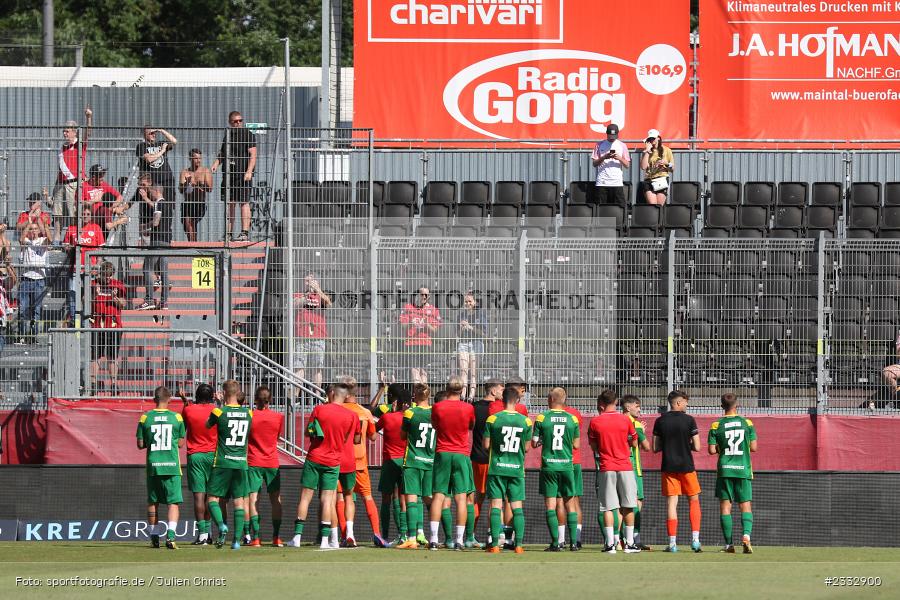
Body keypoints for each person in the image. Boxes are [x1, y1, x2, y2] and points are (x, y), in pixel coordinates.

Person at [289, 382, 360, 549]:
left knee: (305, 497)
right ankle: (325, 541)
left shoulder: (320, 410)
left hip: (315, 457)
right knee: (328, 500)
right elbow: (351, 439)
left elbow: (308, 432)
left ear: (333, 393)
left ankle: (297, 538)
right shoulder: (351, 416)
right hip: (333, 460)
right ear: (346, 396)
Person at [335, 376, 388, 548]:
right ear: (356, 391)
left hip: (339, 461)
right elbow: (373, 437)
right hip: (359, 462)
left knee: (341, 498)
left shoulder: (337, 410)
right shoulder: (364, 413)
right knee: (367, 497)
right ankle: (376, 533)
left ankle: (345, 535)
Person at [588, 390, 641, 554]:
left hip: (606, 467)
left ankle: (610, 544)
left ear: (601, 405)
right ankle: (630, 543)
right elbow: (634, 442)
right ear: (616, 402)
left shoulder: (595, 422)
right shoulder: (625, 420)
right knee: (629, 506)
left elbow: (594, 447)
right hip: (625, 466)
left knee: (608, 508)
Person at [428, 376, 475, 550]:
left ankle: (433, 539)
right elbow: (471, 426)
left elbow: (434, 425)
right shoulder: (468, 408)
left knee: (438, 496)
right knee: (461, 497)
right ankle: (459, 540)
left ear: (447, 390)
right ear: (462, 390)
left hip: (442, 452)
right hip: (461, 453)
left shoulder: (438, 407)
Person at [483, 386, 532, 554]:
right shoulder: (525, 421)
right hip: (516, 470)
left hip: (497, 468)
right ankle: (518, 545)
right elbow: (526, 448)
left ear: (502, 400)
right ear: (517, 400)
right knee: (517, 507)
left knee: (496, 505)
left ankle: (495, 544)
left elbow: (486, 445)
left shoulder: (493, 419)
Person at [135, 386, 185, 550]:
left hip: (153, 465)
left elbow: (140, 444)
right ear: (169, 399)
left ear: (154, 399)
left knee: (153, 501)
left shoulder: (145, 418)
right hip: (171, 465)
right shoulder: (177, 417)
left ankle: (154, 537)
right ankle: (170, 537)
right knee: (173, 503)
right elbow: (180, 443)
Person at [653, 389, 703, 553]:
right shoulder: (689, 420)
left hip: (668, 466)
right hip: (687, 466)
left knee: (671, 503)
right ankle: (695, 541)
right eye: (685, 401)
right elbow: (697, 446)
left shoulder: (660, 421)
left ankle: (672, 543)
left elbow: (655, 447)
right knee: (693, 501)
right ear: (678, 402)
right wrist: (686, 444)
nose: (687, 404)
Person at [205, 379, 253, 550]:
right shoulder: (249, 413)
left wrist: (218, 405)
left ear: (224, 393)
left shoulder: (219, 411)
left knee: (212, 498)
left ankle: (221, 526)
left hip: (222, 462)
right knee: (239, 501)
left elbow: (207, 425)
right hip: (241, 463)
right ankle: (237, 541)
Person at [708, 393, 757, 554]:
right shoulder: (747, 423)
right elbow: (754, 447)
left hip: (725, 470)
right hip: (743, 468)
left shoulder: (716, 425)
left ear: (722, 406)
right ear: (737, 405)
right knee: (745, 505)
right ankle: (746, 536)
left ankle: (729, 545)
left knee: (725, 507)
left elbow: (711, 450)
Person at [531, 387, 579, 552]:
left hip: (549, 466)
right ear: (564, 400)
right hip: (566, 465)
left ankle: (555, 543)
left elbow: (534, 442)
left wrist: (545, 438)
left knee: (551, 506)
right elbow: (576, 445)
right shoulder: (572, 419)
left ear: (550, 399)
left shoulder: (542, 417)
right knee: (570, 505)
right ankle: (573, 543)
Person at [396, 383, 436, 549]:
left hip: (413, 460)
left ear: (415, 395)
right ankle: (436, 536)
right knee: (431, 499)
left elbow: (402, 435)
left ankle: (412, 538)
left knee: (412, 498)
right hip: (431, 461)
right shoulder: (436, 412)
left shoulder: (410, 413)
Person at [246, 385, 285, 547]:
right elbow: (277, 437)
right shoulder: (278, 417)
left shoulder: (250, 416)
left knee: (253, 498)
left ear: (255, 399)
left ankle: (256, 537)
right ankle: (276, 537)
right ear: (271, 400)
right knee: (275, 499)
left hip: (254, 461)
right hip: (271, 462)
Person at [211, 111, 257, 242]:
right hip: (229, 175)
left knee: (244, 202)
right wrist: (215, 164)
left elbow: (253, 154)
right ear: (230, 122)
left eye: (240, 120)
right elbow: (223, 152)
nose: (238, 123)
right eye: (235, 121)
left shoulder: (247, 134)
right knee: (230, 203)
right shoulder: (228, 135)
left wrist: (249, 171)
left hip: (243, 176)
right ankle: (228, 234)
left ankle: (244, 233)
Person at [374, 383, 412, 545]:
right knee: (403, 499)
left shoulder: (387, 417)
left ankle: (385, 534)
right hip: (405, 461)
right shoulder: (410, 418)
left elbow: (373, 431)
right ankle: (403, 534)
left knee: (386, 499)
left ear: (395, 402)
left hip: (390, 461)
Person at [180, 383, 218, 545]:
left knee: (198, 496)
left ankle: (202, 534)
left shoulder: (189, 410)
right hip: (213, 455)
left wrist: (185, 402)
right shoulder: (217, 411)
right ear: (212, 396)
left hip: (195, 455)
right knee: (211, 496)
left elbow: (185, 422)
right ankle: (208, 533)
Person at [52, 107, 92, 240]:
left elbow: (88, 133)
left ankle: (75, 239)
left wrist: (88, 118)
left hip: (73, 184)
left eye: (67, 131)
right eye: (64, 131)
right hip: (60, 184)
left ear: (74, 132)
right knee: (57, 215)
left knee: (73, 214)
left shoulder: (80, 145)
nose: (64, 133)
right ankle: (57, 241)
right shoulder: (62, 147)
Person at [62, 204, 105, 325]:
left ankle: (87, 322)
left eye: (88, 214)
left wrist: (97, 266)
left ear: (91, 216)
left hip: (90, 270)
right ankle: (75, 323)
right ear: (79, 215)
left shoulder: (96, 228)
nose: (85, 216)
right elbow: (65, 247)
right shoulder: (71, 229)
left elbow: (100, 251)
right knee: (73, 296)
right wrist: (72, 248)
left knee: (88, 297)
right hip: (75, 270)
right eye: (83, 214)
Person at [470, 378, 502, 540]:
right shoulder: (498, 409)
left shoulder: (474, 408)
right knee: (496, 499)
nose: (503, 393)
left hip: (477, 457)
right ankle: (494, 536)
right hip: (494, 459)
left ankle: (470, 535)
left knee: (479, 497)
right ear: (493, 391)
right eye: (501, 389)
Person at [135, 174, 172, 311]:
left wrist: (145, 227)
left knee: (147, 268)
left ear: (156, 191)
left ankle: (149, 299)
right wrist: (145, 199)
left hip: (157, 241)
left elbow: (156, 221)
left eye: (151, 192)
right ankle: (164, 302)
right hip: (167, 241)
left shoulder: (159, 203)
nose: (149, 193)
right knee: (164, 272)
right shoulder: (167, 204)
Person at [89, 262, 126, 394]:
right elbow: (84, 302)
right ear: (101, 274)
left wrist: (115, 298)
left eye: (110, 275)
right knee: (95, 356)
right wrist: (94, 294)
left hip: (113, 325)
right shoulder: (94, 284)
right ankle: (93, 384)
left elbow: (123, 304)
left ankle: (114, 385)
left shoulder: (118, 285)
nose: (108, 278)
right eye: (106, 275)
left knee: (112, 356)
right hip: (96, 325)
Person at [621, 394, 652, 550]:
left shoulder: (617, 422)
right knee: (636, 503)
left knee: (618, 505)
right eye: (637, 406)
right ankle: (634, 538)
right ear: (628, 407)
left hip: (617, 467)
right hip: (633, 468)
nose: (640, 409)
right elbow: (647, 447)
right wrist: (642, 433)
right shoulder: (636, 425)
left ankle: (617, 539)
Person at [293, 273, 332, 390]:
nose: (308, 283)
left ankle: (317, 396)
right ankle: (295, 398)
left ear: (317, 282)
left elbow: (329, 304)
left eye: (310, 281)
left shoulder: (321, 295)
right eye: (306, 281)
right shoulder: (299, 294)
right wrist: (307, 295)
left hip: (318, 336)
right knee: (299, 367)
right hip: (301, 336)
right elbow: (294, 304)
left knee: (317, 368)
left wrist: (318, 290)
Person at [398, 287, 442, 384]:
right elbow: (402, 325)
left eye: (426, 295)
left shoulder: (433, 310)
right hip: (411, 343)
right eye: (422, 294)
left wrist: (426, 323)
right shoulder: (408, 307)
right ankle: (419, 395)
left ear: (429, 296)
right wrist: (411, 322)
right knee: (414, 369)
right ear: (417, 295)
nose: (424, 297)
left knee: (424, 370)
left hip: (425, 343)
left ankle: (423, 396)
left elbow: (435, 330)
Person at [17, 219, 51, 343]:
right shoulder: (26, 241)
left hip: (39, 280)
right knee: (23, 309)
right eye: (31, 229)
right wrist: (29, 225)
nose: (33, 231)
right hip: (26, 278)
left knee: (36, 310)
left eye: (35, 229)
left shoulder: (41, 240)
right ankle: (21, 335)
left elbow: (50, 240)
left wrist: (45, 226)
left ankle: (33, 335)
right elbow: (21, 240)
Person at [561, 396, 584, 549]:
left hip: (557, 462)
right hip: (574, 461)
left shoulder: (547, 415)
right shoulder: (574, 414)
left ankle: (560, 539)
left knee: (558, 502)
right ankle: (576, 539)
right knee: (574, 501)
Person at [457, 292, 487, 401]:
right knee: (463, 371)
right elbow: (458, 334)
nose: (468, 303)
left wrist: (471, 327)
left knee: (473, 372)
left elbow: (484, 333)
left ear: (474, 302)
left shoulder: (480, 314)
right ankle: (463, 395)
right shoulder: (461, 315)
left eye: (470, 301)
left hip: (476, 343)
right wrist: (461, 328)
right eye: (466, 301)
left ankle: (471, 396)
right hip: (464, 343)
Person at [136, 125, 177, 206]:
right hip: (153, 182)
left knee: (168, 205)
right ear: (145, 134)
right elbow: (149, 159)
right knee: (154, 206)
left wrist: (161, 130)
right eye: (151, 133)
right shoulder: (141, 146)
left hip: (167, 179)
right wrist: (162, 151)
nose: (153, 135)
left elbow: (174, 141)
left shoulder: (160, 143)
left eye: (154, 133)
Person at [590, 123, 630, 205]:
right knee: (601, 209)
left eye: (614, 136)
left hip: (617, 182)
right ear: (606, 133)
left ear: (617, 134)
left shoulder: (622, 145)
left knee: (619, 209)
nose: (612, 139)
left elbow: (627, 165)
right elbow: (594, 164)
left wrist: (619, 158)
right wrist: (604, 157)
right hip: (602, 182)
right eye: (610, 136)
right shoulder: (599, 145)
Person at [179, 148, 213, 242]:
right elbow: (181, 190)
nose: (198, 161)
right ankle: (193, 243)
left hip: (199, 203)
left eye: (200, 158)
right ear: (190, 158)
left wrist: (198, 184)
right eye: (196, 158)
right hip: (188, 203)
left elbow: (210, 188)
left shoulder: (205, 171)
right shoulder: (185, 172)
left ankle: (192, 245)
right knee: (187, 224)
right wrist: (187, 183)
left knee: (190, 222)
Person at [640, 129, 675, 205]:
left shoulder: (667, 150)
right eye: (650, 139)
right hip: (649, 179)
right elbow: (643, 167)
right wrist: (648, 151)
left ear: (658, 138)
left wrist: (666, 163)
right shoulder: (646, 151)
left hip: (661, 179)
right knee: (652, 205)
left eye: (653, 138)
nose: (652, 140)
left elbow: (672, 168)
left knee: (659, 206)